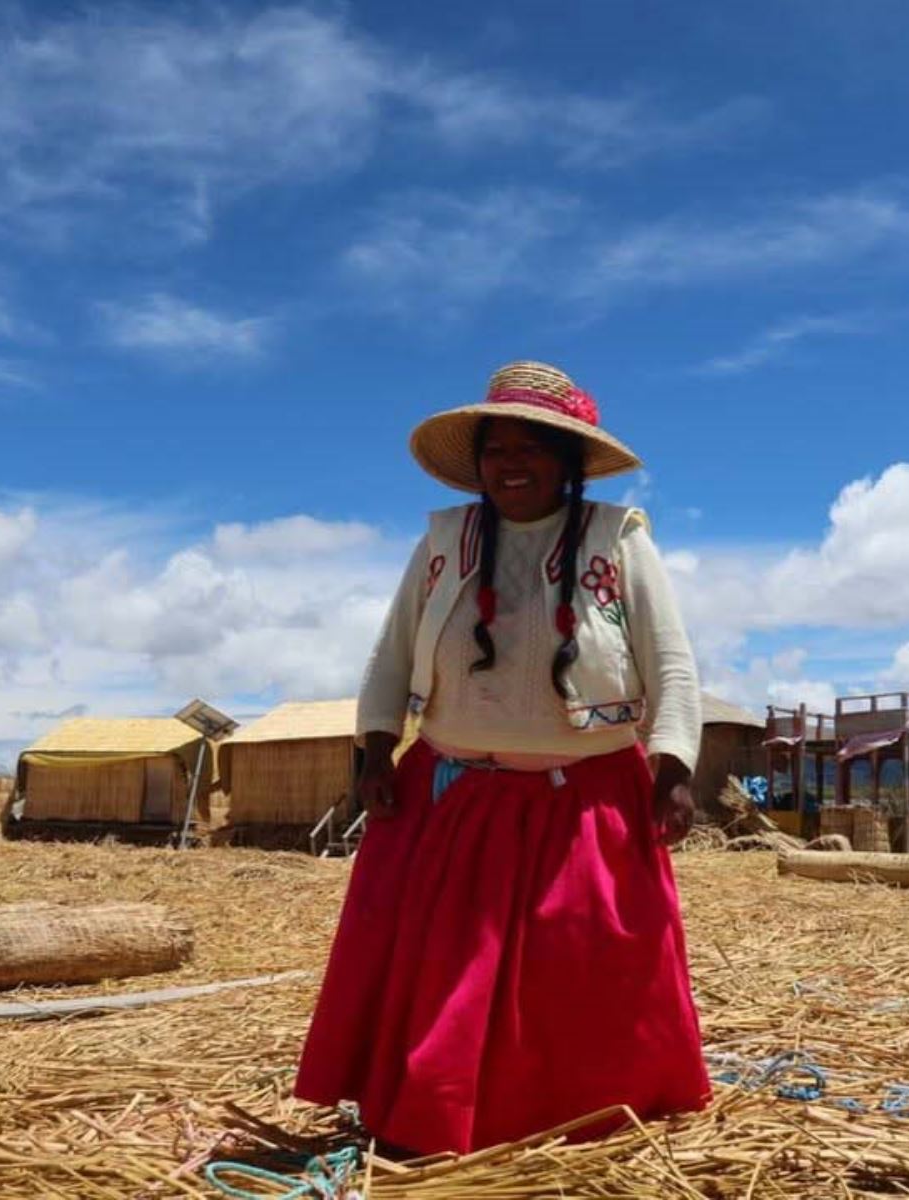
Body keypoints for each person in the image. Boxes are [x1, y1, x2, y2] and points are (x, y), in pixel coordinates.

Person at [294, 360, 710, 1156]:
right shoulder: (443, 543)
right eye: (496, 449)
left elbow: (671, 661)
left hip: (585, 797)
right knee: (447, 966)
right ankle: (432, 1115)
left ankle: (587, 1115)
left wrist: (674, 767)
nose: (511, 464)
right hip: (454, 791)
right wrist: (375, 751)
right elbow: (391, 653)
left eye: (532, 447)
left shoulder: (617, 539)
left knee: (583, 964)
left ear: (569, 461)